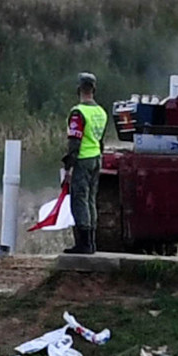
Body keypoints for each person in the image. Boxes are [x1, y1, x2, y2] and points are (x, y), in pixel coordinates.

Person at [62, 72, 108, 255]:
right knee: (91, 200)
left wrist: (68, 167)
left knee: (79, 199)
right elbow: (101, 139)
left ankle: (84, 244)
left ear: (78, 89)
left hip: (82, 159)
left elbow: (75, 141)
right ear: (94, 89)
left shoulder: (78, 112)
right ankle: (92, 242)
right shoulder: (101, 112)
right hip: (97, 158)